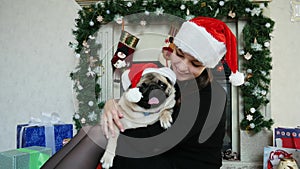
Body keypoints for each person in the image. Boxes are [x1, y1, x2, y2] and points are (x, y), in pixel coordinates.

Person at [41, 16, 244, 169]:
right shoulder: (166, 76)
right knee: (88, 130)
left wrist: (115, 124)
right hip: (160, 151)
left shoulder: (211, 95)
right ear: (173, 50)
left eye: (194, 63)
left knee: (99, 134)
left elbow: (158, 137)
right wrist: (112, 105)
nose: (182, 67)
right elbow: (136, 104)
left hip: (179, 162)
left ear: (206, 66)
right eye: (180, 55)